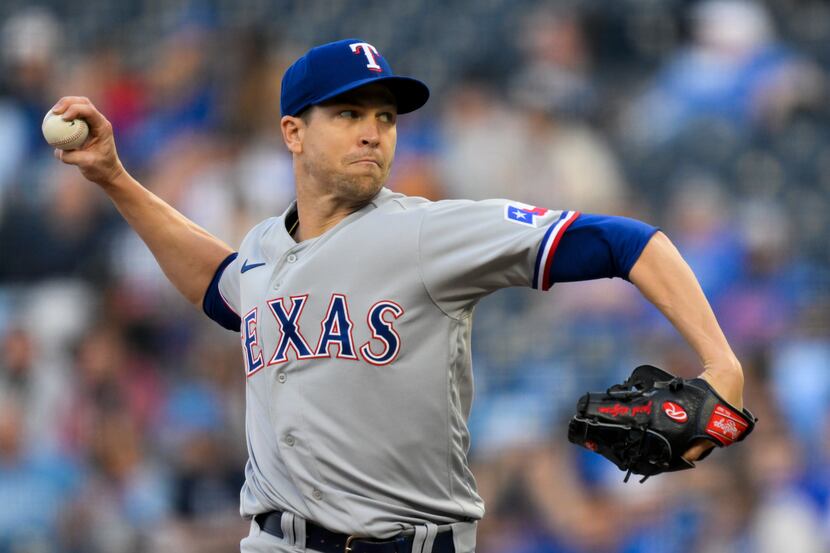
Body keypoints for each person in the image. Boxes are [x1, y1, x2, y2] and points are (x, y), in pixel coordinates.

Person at [52, 38, 745, 553]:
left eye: (385, 117)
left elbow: (628, 241)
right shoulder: (266, 246)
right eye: (350, 112)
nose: (372, 132)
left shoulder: (428, 232)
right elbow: (218, 283)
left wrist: (722, 360)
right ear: (293, 132)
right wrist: (114, 176)